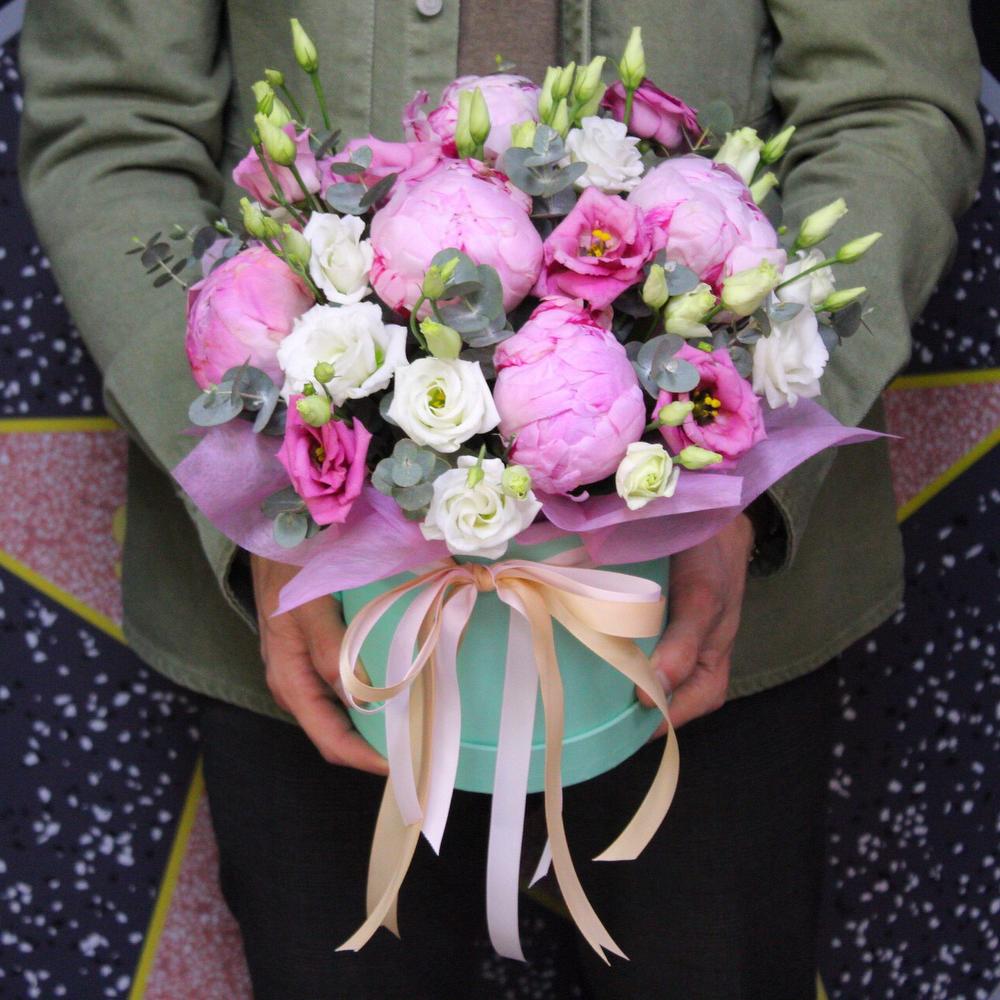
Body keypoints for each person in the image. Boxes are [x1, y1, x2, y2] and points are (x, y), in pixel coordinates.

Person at [18, 2, 983, 997]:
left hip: (715, 624)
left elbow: (888, 104)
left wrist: (736, 470)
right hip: (312, 632)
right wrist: (269, 500)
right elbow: (111, 125)